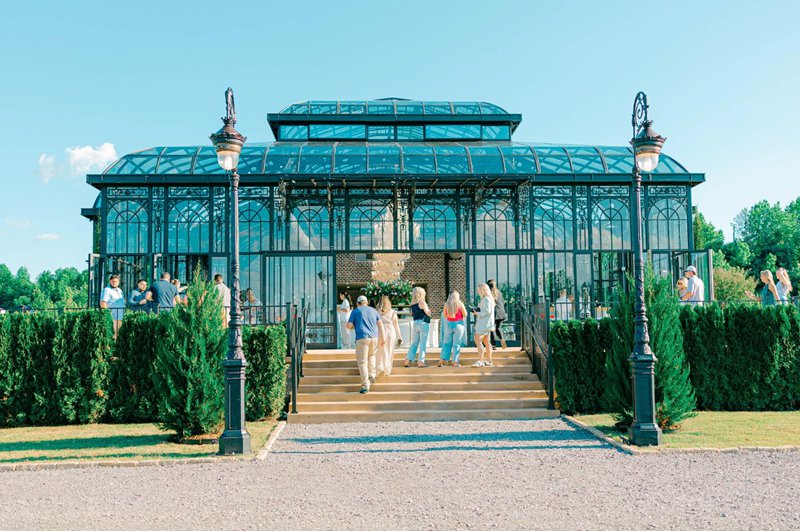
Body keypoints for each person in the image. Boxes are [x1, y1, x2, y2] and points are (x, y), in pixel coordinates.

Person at [346, 295, 385, 394]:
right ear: (366, 302)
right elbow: (380, 324)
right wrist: (383, 338)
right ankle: (372, 374)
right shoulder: (373, 311)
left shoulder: (355, 311)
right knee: (371, 356)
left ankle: (365, 384)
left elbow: (349, 326)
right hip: (374, 337)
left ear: (358, 303)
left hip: (362, 337)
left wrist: (352, 326)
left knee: (362, 362)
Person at [404, 286, 432, 368]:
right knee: (422, 344)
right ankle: (421, 361)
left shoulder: (412, 305)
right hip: (423, 324)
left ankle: (407, 360)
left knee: (414, 343)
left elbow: (413, 315)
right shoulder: (422, 303)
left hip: (415, 324)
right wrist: (429, 310)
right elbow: (428, 313)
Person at [439, 291, 467, 367]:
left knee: (446, 343)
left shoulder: (446, 304)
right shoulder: (460, 304)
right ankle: (455, 362)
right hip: (458, 324)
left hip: (449, 324)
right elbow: (465, 314)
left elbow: (444, 315)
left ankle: (442, 361)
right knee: (456, 344)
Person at [376, 295, 402, 377]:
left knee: (380, 351)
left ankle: (380, 368)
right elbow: (396, 325)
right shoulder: (392, 312)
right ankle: (387, 369)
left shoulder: (376, 312)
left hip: (380, 331)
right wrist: (399, 336)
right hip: (391, 332)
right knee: (390, 351)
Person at [472, 283, 495, 368]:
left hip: (483, 324)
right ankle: (489, 361)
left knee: (478, 341)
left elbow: (487, 311)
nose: (478, 292)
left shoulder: (486, 299)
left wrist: (477, 313)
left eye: (479, 290)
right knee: (486, 342)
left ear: (483, 290)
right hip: (487, 325)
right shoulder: (489, 299)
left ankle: (480, 361)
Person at [100, 274, 125, 338]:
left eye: (116, 281)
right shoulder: (107, 290)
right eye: (113, 281)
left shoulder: (120, 290)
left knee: (118, 334)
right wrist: (109, 314)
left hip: (120, 316)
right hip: (112, 317)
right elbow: (103, 304)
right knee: (112, 334)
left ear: (118, 282)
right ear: (110, 282)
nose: (114, 283)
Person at [487, 279, 508, 349]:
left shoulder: (489, 293)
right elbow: (503, 302)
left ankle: (493, 345)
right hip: (501, 312)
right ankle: (502, 340)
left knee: (492, 329)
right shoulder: (499, 292)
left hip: (494, 313)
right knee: (498, 328)